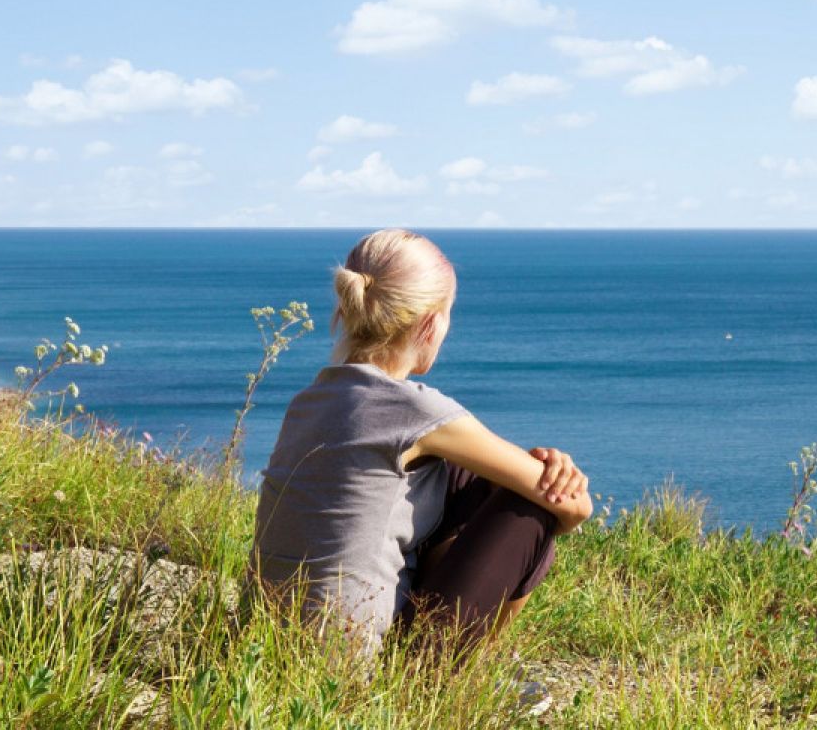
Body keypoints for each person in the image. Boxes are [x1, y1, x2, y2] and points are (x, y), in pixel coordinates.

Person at [246, 228, 593, 667]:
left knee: (463, 473)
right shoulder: (416, 411)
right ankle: (454, 678)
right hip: (350, 671)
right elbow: (572, 507)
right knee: (531, 509)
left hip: (265, 649)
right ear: (431, 323)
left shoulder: (309, 401)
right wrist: (553, 495)